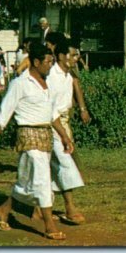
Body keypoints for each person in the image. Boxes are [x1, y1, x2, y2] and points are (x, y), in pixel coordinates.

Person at [0, 43, 75, 241]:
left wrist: (65, 137)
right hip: (28, 137)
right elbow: (3, 114)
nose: (51, 66)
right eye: (48, 62)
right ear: (36, 62)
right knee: (42, 179)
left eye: (52, 62)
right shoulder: (20, 84)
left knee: (26, 182)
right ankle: (49, 225)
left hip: (45, 138)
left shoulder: (46, 84)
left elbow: (53, 115)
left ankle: (2, 210)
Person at [46, 37, 88, 225]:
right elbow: (49, 108)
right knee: (65, 163)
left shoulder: (67, 75)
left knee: (47, 169)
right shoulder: (51, 76)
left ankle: (38, 209)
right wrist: (62, 134)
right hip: (51, 125)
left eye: (77, 55)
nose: (75, 58)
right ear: (61, 56)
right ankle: (70, 207)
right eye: (72, 55)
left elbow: (74, 90)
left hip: (64, 122)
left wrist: (81, 109)